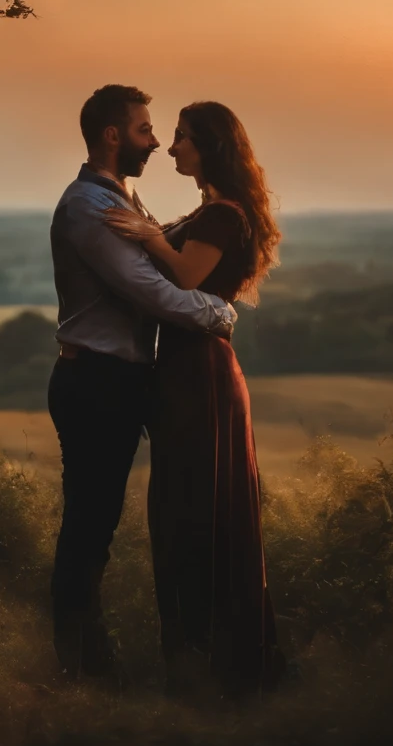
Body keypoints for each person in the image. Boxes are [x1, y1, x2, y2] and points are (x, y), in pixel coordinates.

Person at [49, 84, 237, 684]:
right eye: (144, 130)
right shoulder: (91, 206)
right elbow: (154, 291)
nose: (156, 141)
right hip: (96, 380)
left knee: (98, 520)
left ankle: (89, 658)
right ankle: (79, 664)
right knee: (89, 521)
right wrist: (222, 313)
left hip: (121, 381)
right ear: (112, 136)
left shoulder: (125, 199)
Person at [104, 100, 285, 696]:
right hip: (185, 370)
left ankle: (217, 665)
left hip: (202, 374)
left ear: (209, 145)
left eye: (181, 137)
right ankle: (195, 660)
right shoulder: (209, 209)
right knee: (182, 510)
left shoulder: (224, 216)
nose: (172, 147)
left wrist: (150, 235)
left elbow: (183, 277)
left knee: (199, 512)